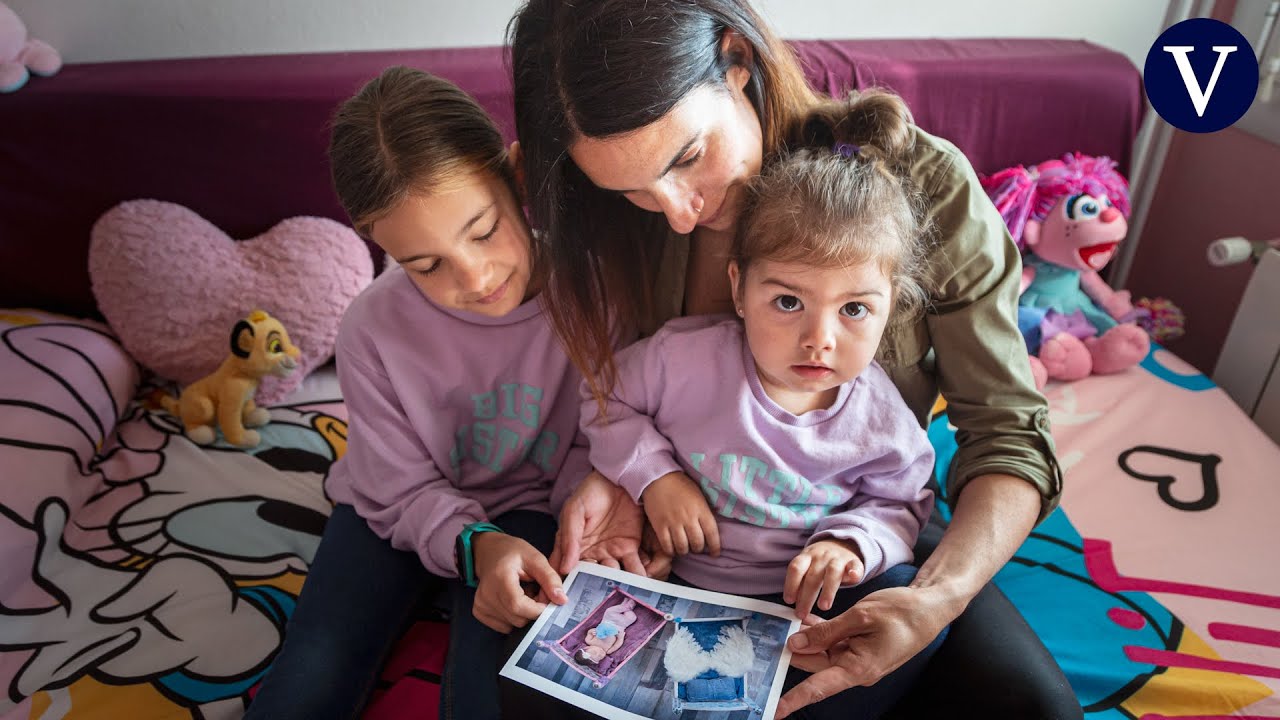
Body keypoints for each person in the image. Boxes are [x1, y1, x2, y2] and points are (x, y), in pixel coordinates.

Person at [506, 1, 1075, 718]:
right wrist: (626, 476)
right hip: (684, 539)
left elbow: (1008, 435)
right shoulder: (599, 210)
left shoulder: (919, 185)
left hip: (843, 525)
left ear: (736, 59)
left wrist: (936, 598)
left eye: (687, 158)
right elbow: (619, 392)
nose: (678, 212)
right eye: (631, 192)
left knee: (1038, 707)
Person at [245, 66, 585, 720]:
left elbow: (605, 431)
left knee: (496, 684)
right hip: (390, 510)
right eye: (424, 264)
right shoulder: (372, 327)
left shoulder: (592, 293)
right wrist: (471, 543)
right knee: (315, 665)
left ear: (516, 178)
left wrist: (561, 518)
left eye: (483, 230)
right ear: (381, 247)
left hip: (535, 506)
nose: (475, 275)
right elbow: (394, 485)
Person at [579, 126, 950, 717]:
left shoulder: (884, 421)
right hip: (675, 582)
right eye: (787, 302)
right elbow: (603, 400)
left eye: (854, 309)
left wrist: (851, 543)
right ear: (739, 288)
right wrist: (656, 478)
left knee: (907, 612)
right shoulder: (682, 359)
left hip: (803, 612)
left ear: (891, 309)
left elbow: (903, 505)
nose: (820, 339)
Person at [574, 597, 638, 666]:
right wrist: (620, 637)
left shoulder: (589, 641)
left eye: (595, 652)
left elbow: (589, 632)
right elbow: (617, 645)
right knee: (632, 618)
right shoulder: (607, 650)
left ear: (587, 648)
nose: (600, 653)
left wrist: (593, 631)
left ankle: (624, 606)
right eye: (600, 657)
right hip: (619, 626)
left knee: (609, 611)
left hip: (608, 620)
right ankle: (627, 607)